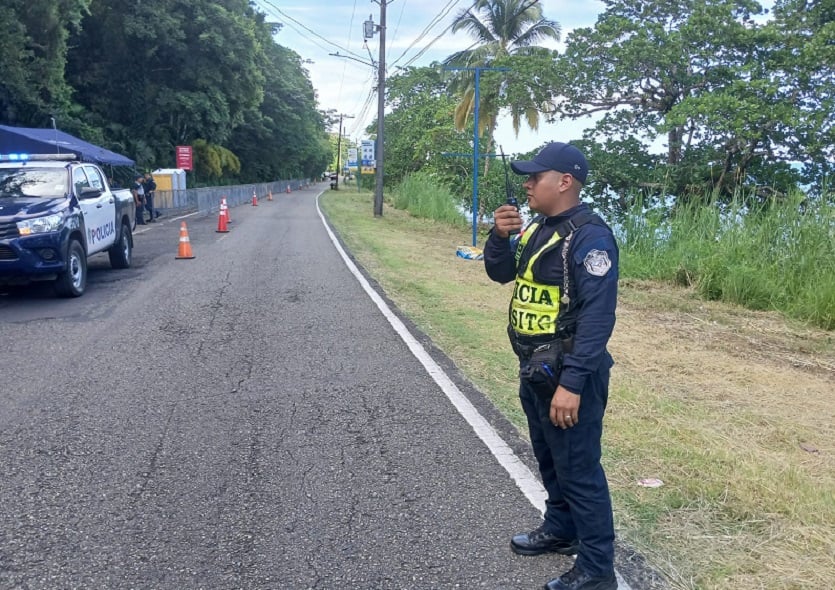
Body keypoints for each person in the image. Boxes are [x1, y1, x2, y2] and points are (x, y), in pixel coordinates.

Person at [483, 142, 619, 590]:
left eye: (534, 177)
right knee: (548, 458)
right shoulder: (539, 229)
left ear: (564, 182)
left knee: (579, 470)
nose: (526, 183)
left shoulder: (589, 235)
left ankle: (598, 570)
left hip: (568, 375)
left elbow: (599, 316)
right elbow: (502, 274)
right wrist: (498, 237)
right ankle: (562, 529)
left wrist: (574, 384)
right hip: (536, 371)